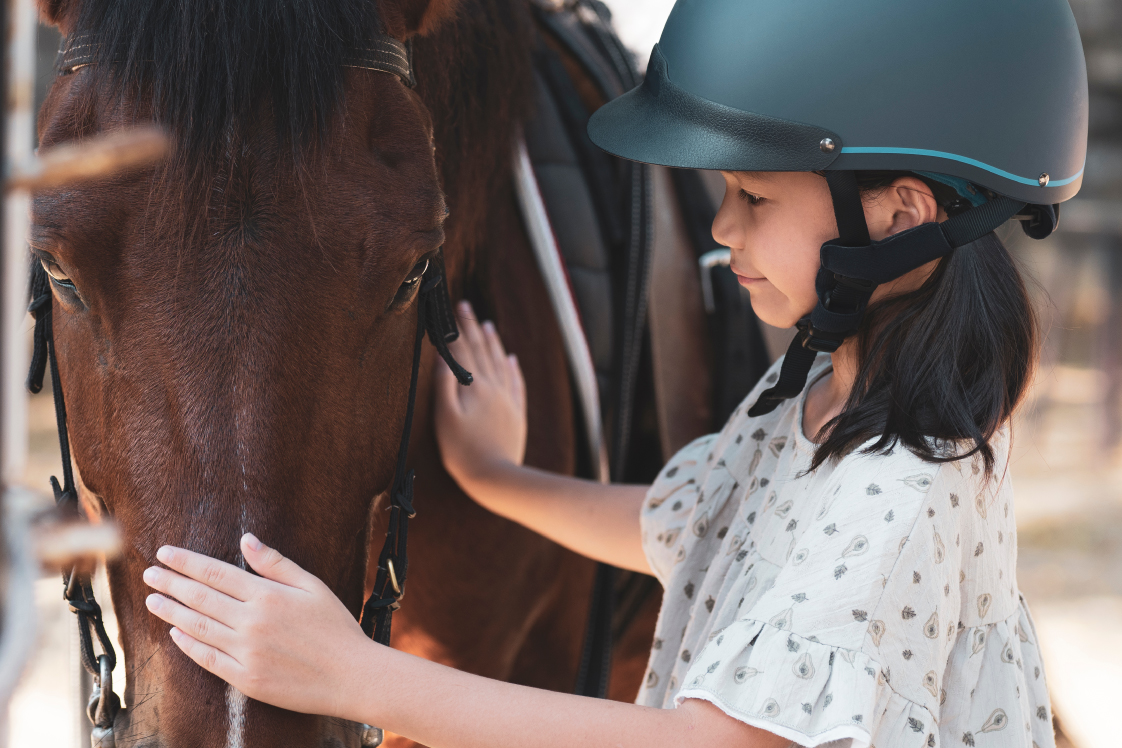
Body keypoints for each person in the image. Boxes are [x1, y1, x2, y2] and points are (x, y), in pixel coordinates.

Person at [141, 1, 1088, 745]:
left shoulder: (904, 481)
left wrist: (356, 678)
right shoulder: (815, 397)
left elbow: (716, 745)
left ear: (901, 214)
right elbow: (691, 527)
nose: (723, 229)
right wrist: (499, 481)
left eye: (753, 196)